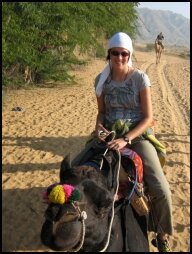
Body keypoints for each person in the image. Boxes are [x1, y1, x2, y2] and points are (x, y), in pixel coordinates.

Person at [94, 32, 173, 252]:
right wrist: (98, 127)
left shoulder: (140, 78)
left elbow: (148, 118)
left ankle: (161, 233)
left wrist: (126, 138)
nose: (119, 57)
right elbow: (101, 112)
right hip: (109, 134)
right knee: (78, 166)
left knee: (161, 187)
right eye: (115, 53)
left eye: (123, 53)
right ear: (108, 54)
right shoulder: (101, 81)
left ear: (129, 54)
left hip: (136, 134)